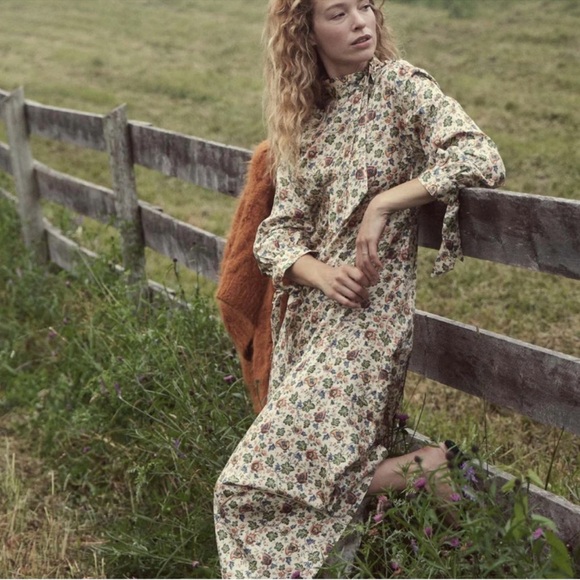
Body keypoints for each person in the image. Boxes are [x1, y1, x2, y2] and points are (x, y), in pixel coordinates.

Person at [214, 0, 505, 577]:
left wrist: (386, 202)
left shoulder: (398, 86)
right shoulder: (305, 119)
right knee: (314, 473)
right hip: (306, 325)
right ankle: (424, 482)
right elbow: (277, 234)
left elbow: (480, 156)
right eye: (338, 12)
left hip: (367, 325)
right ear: (306, 31)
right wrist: (319, 272)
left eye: (366, 5)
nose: (361, 22)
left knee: (246, 484)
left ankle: (432, 476)